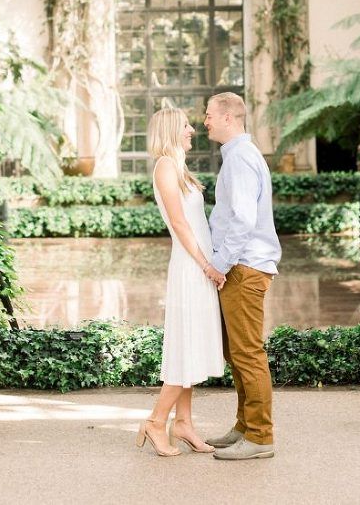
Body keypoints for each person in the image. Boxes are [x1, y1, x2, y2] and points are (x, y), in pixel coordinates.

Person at [136, 106, 225, 457]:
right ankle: (157, 422)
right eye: (186, 125)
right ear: (172, 130)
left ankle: (184, 423)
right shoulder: (165, 167)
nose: (192, 130)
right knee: (185, 348)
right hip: (190, 267)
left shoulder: (179, 168)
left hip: (198, 266)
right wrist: (206, 265)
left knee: (193, 346)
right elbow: (180, 224)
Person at [203, 92, 281, 461]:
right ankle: (244, 428)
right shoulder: (239, 156)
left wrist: (220, 263)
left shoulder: (240, 159)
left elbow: (243, 220)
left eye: (209, 115)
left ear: (229, 118)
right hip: (245, 266)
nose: (205, 121)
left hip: (244, 268)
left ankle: (261, 436)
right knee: (238, 353)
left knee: (248, 353)